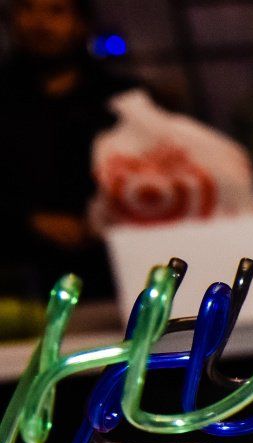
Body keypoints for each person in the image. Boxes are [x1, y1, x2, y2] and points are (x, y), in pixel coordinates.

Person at [0, 0, 134, 296]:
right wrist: (28, 220)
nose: (40, 23)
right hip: (18, 280)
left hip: (114, 273)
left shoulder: (124, 100)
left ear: (80, 23)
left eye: (56, 11)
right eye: (28, 9)